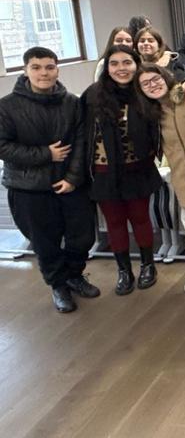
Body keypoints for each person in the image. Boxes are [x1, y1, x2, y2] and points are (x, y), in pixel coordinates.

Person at [0, 47, 99, 313]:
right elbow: (3, 146)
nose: (43, 73)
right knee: (45, 242)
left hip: (71, 184)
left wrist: (73, 178)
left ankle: (74, 274)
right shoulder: (7, 106)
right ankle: (58, 285)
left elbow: (81, 142)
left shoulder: (71, 102)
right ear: (25, 70)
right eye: (36, 67)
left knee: (83, 236)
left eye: (49, 67)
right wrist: (45, 154)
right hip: (29, 186)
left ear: (57, 68)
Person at [82, 45, 163, 295]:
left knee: (140, 218)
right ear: (107, 68)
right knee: (115, 222)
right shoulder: (93, 95)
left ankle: (148, 265)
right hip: (104, 171)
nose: (121, 68)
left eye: (127, 62)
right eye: (114, 63)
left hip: (138, 169)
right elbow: (82, 133)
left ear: (136, 64)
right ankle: (124, 270)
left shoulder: (144, 92)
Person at [136, 64, 185, 293]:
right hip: (181, 177)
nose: (153, 85)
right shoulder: (151, 114)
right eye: (146, 83)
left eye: (156, 79)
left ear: (165, 77)